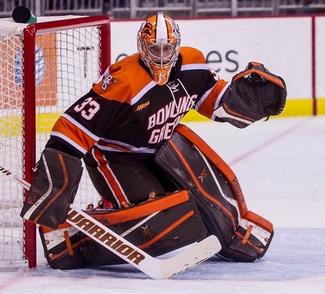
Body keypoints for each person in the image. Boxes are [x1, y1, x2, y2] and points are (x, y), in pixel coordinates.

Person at [21, 12, 287, 270]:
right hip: (116, 158)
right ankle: (78, 241)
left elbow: (214, 102)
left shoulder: (194, 63)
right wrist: (55, 178)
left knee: (200, 204)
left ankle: (229, 227)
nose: (161, 56)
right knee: (163, 220)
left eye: (167, 49)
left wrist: (244, 101)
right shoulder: (122, 80)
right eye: (154, 49)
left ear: (177, 46)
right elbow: (73, 126)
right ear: (142, 47)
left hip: (160, 151)